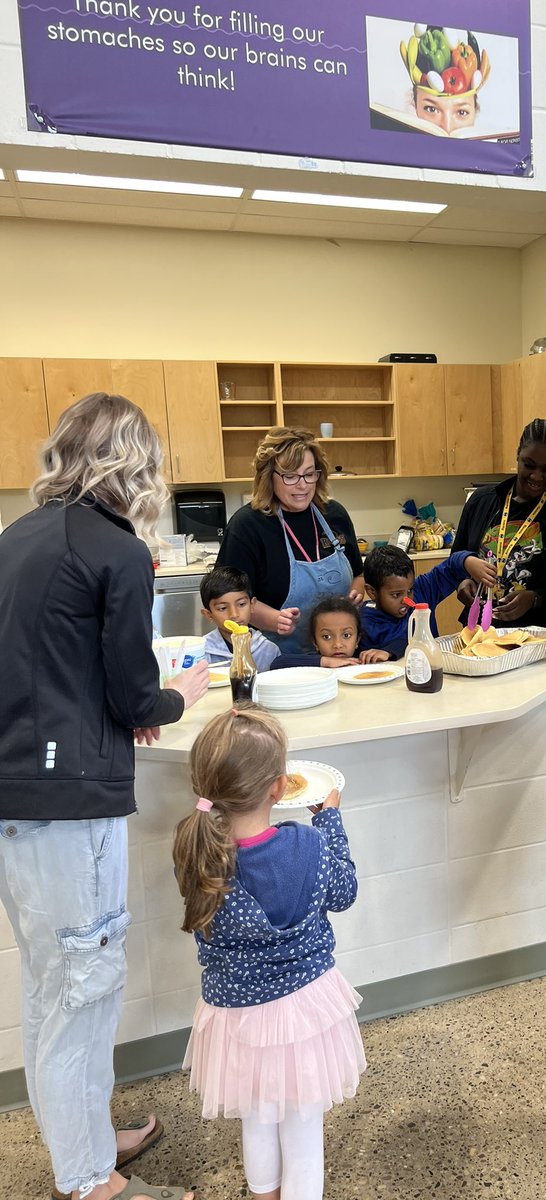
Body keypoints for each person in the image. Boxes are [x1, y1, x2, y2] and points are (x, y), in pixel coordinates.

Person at [0, 393, 208, 1200]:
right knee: (82, 988)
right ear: (136, 466)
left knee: (54, 983)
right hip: (68, 801)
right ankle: (90, 1180)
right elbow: (132, 691)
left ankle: (82, 1140)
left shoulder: (15, 538)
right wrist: (176, 696)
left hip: (20, 794)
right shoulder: (115, 548)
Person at [173, 705, 366, 1200]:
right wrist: (332, 823)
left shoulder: (200, 854)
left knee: (257, 1114)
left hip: (235, 1016)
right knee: (302, 1122)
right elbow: (343, 893)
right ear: (280, 789)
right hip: (303, 1011)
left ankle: (264, 1194)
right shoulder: (306, 843)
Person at [216, 428, 365, 656]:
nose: (303, 485)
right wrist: (274, 620)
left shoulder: (334, 515)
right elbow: (227, 603)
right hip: (276, 659)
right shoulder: (247, 526)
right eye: (290, 476)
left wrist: (356, 592)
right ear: (269, 476)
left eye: (309, 474)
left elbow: (358, 574)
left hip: (340, 656)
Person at [451, 418, 546, 630]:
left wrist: (535, 598)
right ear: (518, 456)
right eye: (529, 465)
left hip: (533, 633)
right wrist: (462, 582)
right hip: (478, 627)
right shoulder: (481, 501)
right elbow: (456, 559)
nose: (536, 476)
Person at [359, 543, 495, 660]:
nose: (407, 600)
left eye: (410, 590)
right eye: (396, 595)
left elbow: (450, 568)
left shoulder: (422, 591)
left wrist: (467, 561)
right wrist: (387, 653)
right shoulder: (361, 622)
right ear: (372, 592)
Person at [270, 595, 391, 670]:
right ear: (315, 642)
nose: (338, 644)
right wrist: (325, 661)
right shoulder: (314, 661)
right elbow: (278, 662)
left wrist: (387, 652)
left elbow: (402, 642)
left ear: (357, 640)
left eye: (346, 635)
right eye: (326, 637)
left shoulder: (363, 658)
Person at [200, 565, 281, 671]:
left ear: (252, 605)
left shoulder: (269, 650)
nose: (234, 614)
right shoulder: (202, 651)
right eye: (223, 608)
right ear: (208, 614)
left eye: (241, 604)